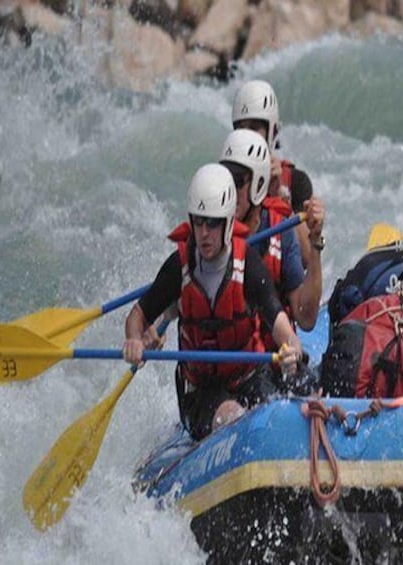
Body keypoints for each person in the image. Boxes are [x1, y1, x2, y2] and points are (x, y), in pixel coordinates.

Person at [122, 163, 303, 440]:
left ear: (229, 222)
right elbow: (137, 315)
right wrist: (134, 339)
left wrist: (291, 350)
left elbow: (281, 325)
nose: (204, 233)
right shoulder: (178, 268)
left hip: (249, 378)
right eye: (198, 222)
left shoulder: (249, 266)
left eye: (213, 223)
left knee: (279, 417)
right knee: (233, 416)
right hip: (201, 392)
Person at [219, 128, 324, 339]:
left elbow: (305, 318)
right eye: (226, 180)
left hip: (268, 363)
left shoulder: (281, 231)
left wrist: (315, 245)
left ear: (258, 183)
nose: (230, 190)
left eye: (238, 182)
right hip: (218, 365)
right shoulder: (207, 229)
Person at [232, 79, 318, 267]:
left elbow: (307, 261)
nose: (247, 135)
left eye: (255, 128)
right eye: (241, 128)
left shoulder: (295, 181)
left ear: (272, 132)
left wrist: (279, 195)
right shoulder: (224, 180)